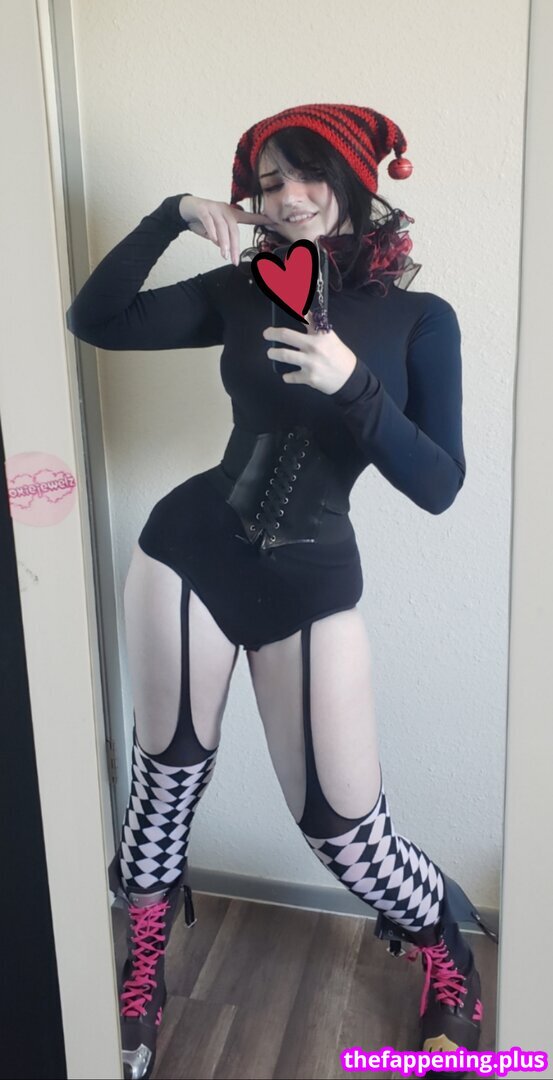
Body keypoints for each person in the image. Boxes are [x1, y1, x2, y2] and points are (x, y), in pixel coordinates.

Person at [66, 103, 498, 1080]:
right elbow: (97, 320)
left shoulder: (421, 320)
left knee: (345, 832)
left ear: (352, 180)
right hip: (188, 554)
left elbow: (439, 485)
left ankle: (443, 947)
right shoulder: (241, 287)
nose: (289, 196)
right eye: (268, 181)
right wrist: (173, 213)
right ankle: (144, 966)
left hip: (311, 578)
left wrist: (355, 386)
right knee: (166, 783)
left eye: (307, 174)